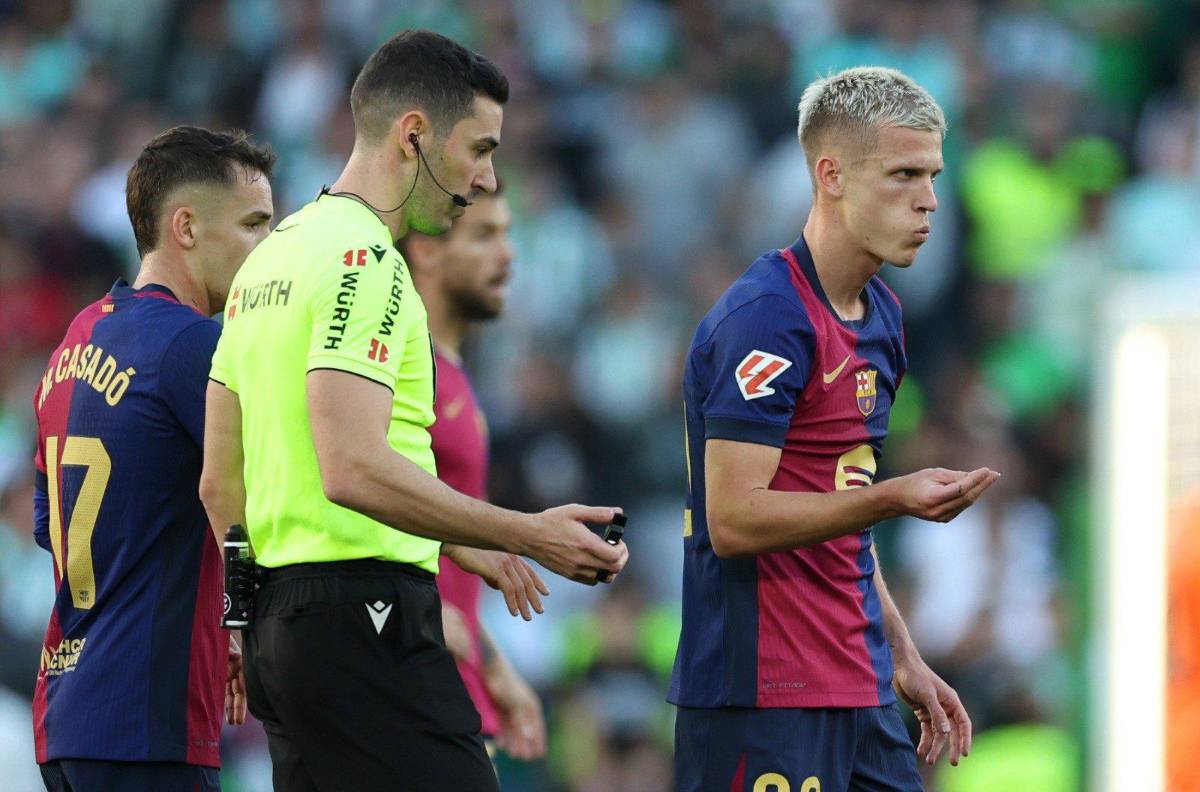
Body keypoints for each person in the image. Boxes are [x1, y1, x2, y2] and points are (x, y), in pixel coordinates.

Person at [199, 30, 626, 792]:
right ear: (415, 134)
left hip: (279, 629)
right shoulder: (368, 262)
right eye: (480, 148)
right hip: (366, 616)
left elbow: (219, 483)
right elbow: (352, 467)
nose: (487, 180)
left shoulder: (269, 260)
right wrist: (527, 534)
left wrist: (240, 621)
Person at [670, 66, 1000, 792]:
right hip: (761, 694)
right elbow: (732, 519)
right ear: (832, 175)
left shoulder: (883, 318)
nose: (929, 201)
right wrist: (892, 497)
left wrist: (901, 651)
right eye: (904, 174)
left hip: (861, 684)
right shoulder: (768, 319)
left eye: (934, 175)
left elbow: (838, 501)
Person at [32, 126, 275, 792]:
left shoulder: (72, 344)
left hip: (66, 715)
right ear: (186, 227)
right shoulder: (194, 346)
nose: (265, 250)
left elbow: (47, 521)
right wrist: (244, 621)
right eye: (253, 224)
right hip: (148, 723)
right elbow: (247, 501)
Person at [403, 185, 548, 762]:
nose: (508, 254)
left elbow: (440, 544)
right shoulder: (402, 368)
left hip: (458, 683)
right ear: (427, 251)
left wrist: (494, 666)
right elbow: (348, 492)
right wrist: (426, 615)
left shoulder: (451, 372)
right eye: (485, 234)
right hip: (414, 684)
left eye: (507, 234)